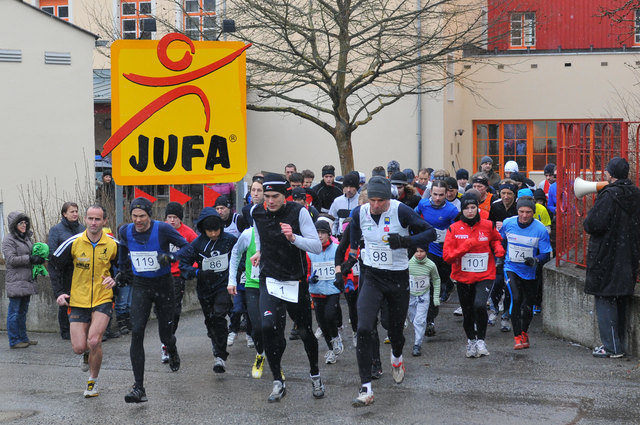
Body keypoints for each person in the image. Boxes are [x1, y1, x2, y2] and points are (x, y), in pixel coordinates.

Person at [349, 176, 435, 407]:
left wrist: (406, 241)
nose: (376, 205)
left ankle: (397, 355)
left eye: (381, 201)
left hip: (397, 278)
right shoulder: (360, 213)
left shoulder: (402, 211)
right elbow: (353, 240)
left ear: (390, 198)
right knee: (364, 327)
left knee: (394, 329)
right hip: (372, 277)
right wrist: (346, 262)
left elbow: (430, 233)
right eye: (373, 200)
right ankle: (366, 387)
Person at [250, 173, 324, 402]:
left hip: (295, 280)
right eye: (266, 196)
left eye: (275, 196)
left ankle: (315, 374)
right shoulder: (256, 212)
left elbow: (317, 247)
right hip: (269, 278)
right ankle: (277, 381)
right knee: (267, 326)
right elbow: (261, 235)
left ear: (285, 196)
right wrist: (260, 252)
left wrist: (294, 239)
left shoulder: (298, 212)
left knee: (304, 333)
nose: (270, 201)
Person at [117, 197, 192, 403]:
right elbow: (123, 248)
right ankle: (138, 387)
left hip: (164, 284)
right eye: (134, 216)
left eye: (142, 216)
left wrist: (171, 257)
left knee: (165, 336)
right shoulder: (125, 230)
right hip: (141, 285)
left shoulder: (163, 229)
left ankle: (172, 348)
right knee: (137, 332)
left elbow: (187, 247)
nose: (138, 220)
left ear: (150, 215)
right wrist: (123, 269)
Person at [51, 205, 118, 398]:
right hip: (78, 299)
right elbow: (54, 266)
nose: (94, 223)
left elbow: (127, 266)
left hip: (103, 297)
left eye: (98, 219)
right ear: (85, 220)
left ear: (104, 221)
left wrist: (117, 279)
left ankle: (92, 382)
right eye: (90, 219)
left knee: (95, 340)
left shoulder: (113, 244)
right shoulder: (74, 242)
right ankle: (87, 353)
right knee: (79, 347)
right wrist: (59, 293)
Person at [584, 157, 640, 358]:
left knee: (605, 297)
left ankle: (611, 347)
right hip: (628, 254)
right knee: (620, 298)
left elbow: (592, 224)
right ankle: (618, 344)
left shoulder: (608, 195)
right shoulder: (635, 194)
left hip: (606, 256)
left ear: (609, 174)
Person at [443, 193, 505, 358]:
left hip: (485, 274)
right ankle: (471, 340)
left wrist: (498, 249)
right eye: (466, 208)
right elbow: (447, 256)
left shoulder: (488, 225)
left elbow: (495, 239)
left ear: (477, 208)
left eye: (473, 207)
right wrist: (465, 246)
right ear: (462, 210)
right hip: (463, 276)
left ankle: (481, 340)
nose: (470, 211)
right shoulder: (453, 228)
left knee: (479, 305)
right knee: (468, 310)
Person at [181, 208, 237, 373]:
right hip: (205, 289)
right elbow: (183, 263)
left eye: (216, 230)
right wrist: (197, 272)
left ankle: (220, 356)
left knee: (219, 316)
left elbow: (240, 258)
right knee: (211, 320)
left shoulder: (230, 240)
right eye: (209, 231)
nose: (213, 234)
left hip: (224, 286)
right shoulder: (197, 244)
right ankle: (216, 344)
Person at [500, 196, 552, 350]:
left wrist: (535, 260)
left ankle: (524, 332)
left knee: (528, 306)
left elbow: (546, 254)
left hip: (530, 272)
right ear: (517, 211)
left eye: (528, 212)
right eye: (521, 211)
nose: (524, 215)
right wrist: (499, 257)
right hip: (511, 268)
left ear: (533, 213)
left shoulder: (540, 229)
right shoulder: (508, 223)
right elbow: (500, 241)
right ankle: (517, 337)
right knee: (515, 299)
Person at [414, 181, 458, 335]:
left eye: (441, 194)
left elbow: (455, 232)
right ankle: (429, 320)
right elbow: (412, 217)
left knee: (441, 283)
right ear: (430, 193)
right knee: (431, 286)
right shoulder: (423, 204)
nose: (438, 198)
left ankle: (448, 285)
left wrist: (447, 238)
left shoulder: (452, 210)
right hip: (429, 250)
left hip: (444, 253)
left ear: (446, 194)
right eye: (435, 194)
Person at [160, 202, 198, 363]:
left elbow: (197, 252)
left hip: (177, 277)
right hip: (160, 275)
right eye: (169, 217)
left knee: (174, 312)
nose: (172, 220)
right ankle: (165, 342)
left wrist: (190, 268)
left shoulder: (188, 234)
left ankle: (167, 343)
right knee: (162, 311)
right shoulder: (160, 230)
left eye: (175, 217)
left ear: (180, 219)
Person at [228, 224, 266, 378]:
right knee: (256, 326)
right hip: (253, 285)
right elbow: (236, 252)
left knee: (272, 326)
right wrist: (232, 280)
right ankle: (260, 354)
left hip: (274, 285)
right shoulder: (248, 234)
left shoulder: (277, 231)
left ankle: (276, 359)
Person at [3, 211, 41, 349]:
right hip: (16, 281)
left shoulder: (26, 238)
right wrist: (30, 259)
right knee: (14, 312)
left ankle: (23, 338)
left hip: (27, 280)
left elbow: (31, 254)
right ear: (14, 225)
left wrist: (38, 257)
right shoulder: (9, 240)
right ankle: (14, 340)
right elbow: (11, 260)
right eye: (21, 223)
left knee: (23, 312)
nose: (24, 225)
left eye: (25, 222)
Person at [307, 220, 343, 364]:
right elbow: (306, 270)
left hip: (332, 289)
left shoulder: (336, 248)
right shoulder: (309, 250)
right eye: (317, 233)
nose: (320, 236)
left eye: (323, 233)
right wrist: (310, 278)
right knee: (321, 322)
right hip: (316, 290)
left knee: (330, 315)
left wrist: (342, 278)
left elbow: (342, 265)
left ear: (329, 234)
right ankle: (331, 349)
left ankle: (335, 337)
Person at [47, 202, 85, 340]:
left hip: (80, 271)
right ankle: (65, 330)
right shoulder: (56, 230)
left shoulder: (82, 228)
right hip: (63, 271)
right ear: (64, 214)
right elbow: (52, 252)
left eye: (76, 211)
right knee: (65, 301)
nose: (75, 214)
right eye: (71, 212)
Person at [407, 245, 440, 357]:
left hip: (423, 296)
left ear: (426, 252)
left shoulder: (431, 265)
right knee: (413, 318)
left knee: (419, 321)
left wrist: (435, 297)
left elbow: (436, 280)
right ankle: (419, 331)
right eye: (417, 251)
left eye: (422, 251)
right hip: (411, 296)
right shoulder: (408, 264)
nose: (419, 254)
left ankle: (417, 344)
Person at [328, 172, 360, 237]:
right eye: (346, 187)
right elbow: (333, 221)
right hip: (340, 237)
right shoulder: (337, 201)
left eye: (351, 187)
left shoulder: (361, 201)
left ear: (356, 187)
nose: (348, 190)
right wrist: (333, 236)